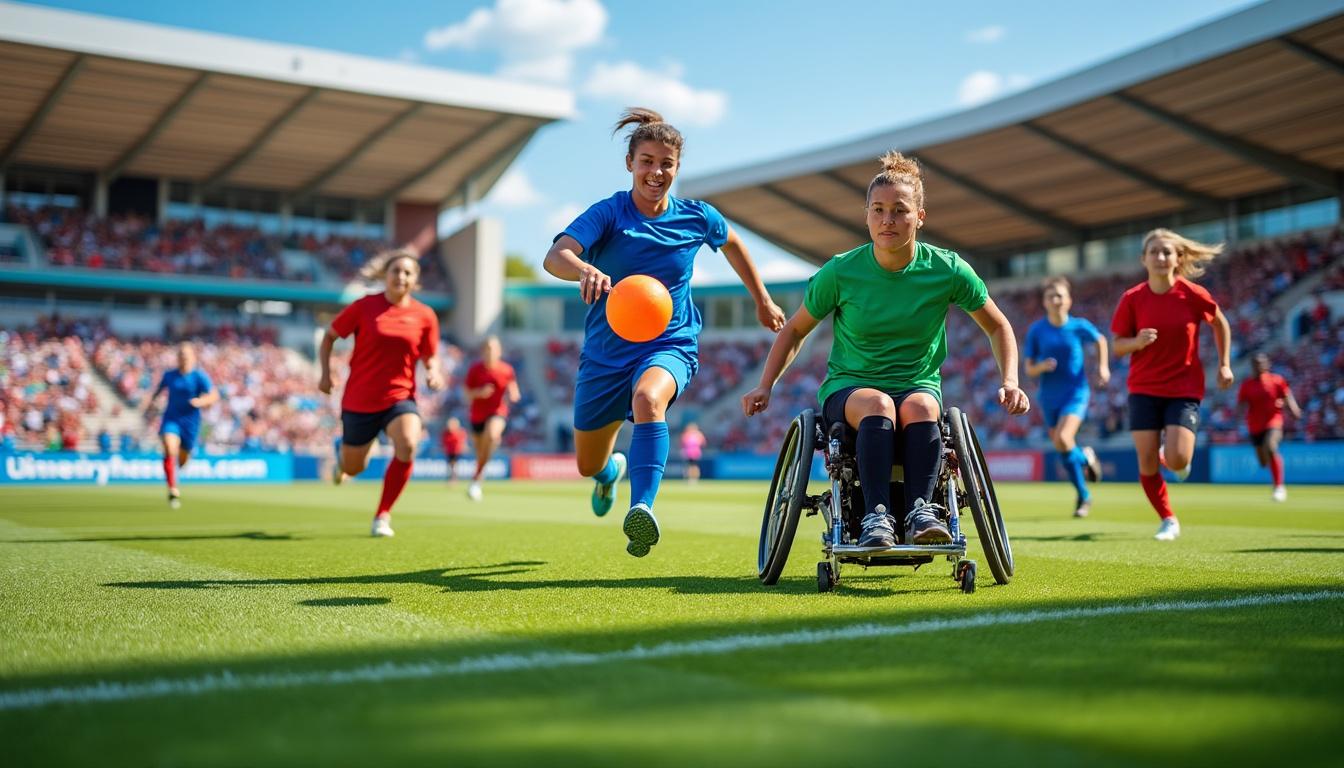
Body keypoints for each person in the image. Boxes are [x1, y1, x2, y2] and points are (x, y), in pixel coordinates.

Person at [742, 151, 1030, 548]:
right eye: (878, 210)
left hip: (916, 385)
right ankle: (876, 518)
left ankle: (921, 512)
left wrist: (1010, 380)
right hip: (850, 388)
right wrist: (765, 384)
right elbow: (793, 330)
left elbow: (997, 325)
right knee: (878, 404)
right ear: (866, 216)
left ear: (920, 216)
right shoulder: (841, 271)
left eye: (899, 210)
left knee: (923, 407)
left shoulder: (946, 269)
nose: (887, 220)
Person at [544, 107, 786, 557]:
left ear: (677, 168)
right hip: (605, 355)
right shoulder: (609, 213)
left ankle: (642, 508)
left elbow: (733, 243)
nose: (656, 172)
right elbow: (556, 256)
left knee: (648, 400)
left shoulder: (697, 217)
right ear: (630, 164)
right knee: (587, 464)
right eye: (647, 161)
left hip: (669, 343)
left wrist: (762, 299)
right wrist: (583, 269)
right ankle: (609, 474)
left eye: (666, 164)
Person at [1111, 228, 1233, 541]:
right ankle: (1168, 518)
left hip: (1183, 388)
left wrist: (1224, 364)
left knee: (1179, 460)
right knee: (1147, 462)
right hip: (1143, 388)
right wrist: (1136, 342)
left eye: (1167, 252)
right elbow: (1117, 346)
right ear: (1144, 259)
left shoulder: (1192, 294)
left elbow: (1220, 323)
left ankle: (1172, 454)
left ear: (1178, 258)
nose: (1161, 257)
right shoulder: (1132, 299)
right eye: (1154, 252)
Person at [319, 248, 443, 537]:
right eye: (395, 271)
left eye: (408, 272)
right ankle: (342, 457)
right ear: (385, 276)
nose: (401, 276)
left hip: (400, 397)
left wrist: (434, 372)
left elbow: (430, 355)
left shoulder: (425, 315)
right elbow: (329, 337)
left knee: (408, 443)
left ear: (415, 280)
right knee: (354, 468)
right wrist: (325, 374)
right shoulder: (364, 306)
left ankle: (382, 515)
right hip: (359, 400)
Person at [1024, 276, 1110, 518]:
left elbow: (1100, 340)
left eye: (1060, 296)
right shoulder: (1037, 330)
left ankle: (1083, 493)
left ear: (1069, 300)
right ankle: (1084, 474)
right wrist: (1041, 367)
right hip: (1048, 397)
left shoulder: (1078, 326)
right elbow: (1029, 369)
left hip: (1075, 393)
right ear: (1044, 302)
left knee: (1064, 438)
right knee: (1062, 446)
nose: (1056, 300)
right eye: (1051, 296)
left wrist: (1103, 367)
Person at [143, 342, 219, 508]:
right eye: (181, 355)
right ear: (177, 357)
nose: (183, 358)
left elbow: (214, 395)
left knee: (183, 459)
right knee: (170, 447)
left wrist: (201, 401)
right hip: (172, 418)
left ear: (193, 357)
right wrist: (149, 403)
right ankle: (172, 488)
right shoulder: (170, 375)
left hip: (190, 423)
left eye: (186, 355)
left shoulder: (199, 376)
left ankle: (182, 461)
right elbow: (156, 392)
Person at [1237, 353, 1301, 502]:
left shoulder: (1276, 380)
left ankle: (1279, 487)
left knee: (1271, 447)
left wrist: (1294, 409)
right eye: (1255, 364)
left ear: (1267, 365)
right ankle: (1273, 466)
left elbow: (1286, 395)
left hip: (1274, 422)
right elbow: (1241, 404)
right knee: (1263, 461)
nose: (1258, 366)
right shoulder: (1247, 385)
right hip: (1254, 426)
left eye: (1261, 363)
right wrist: (1238, 416)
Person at [462, 336, 520, 501]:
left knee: (493, 435)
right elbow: (466, 394)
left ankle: (477, 478)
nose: (490, 352)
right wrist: (479, 393)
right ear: (482, 351)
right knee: (481, 452)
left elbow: (513, 387)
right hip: (477, 415)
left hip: (497, 412)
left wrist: (513, 394)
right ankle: (478, 477)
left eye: (493, 348)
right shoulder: (475, 369)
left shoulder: (506, 369)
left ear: (499, 351)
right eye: (487, 348)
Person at [440, 415, 468, 485]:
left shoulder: (460, 432)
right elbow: (443, 442)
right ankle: (451, 479)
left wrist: (463, 447)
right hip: (449, 452)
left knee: (454, 466)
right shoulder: (446, 433)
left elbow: (462, 442)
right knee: (450, 466)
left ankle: (454, 479)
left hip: (456, 452)